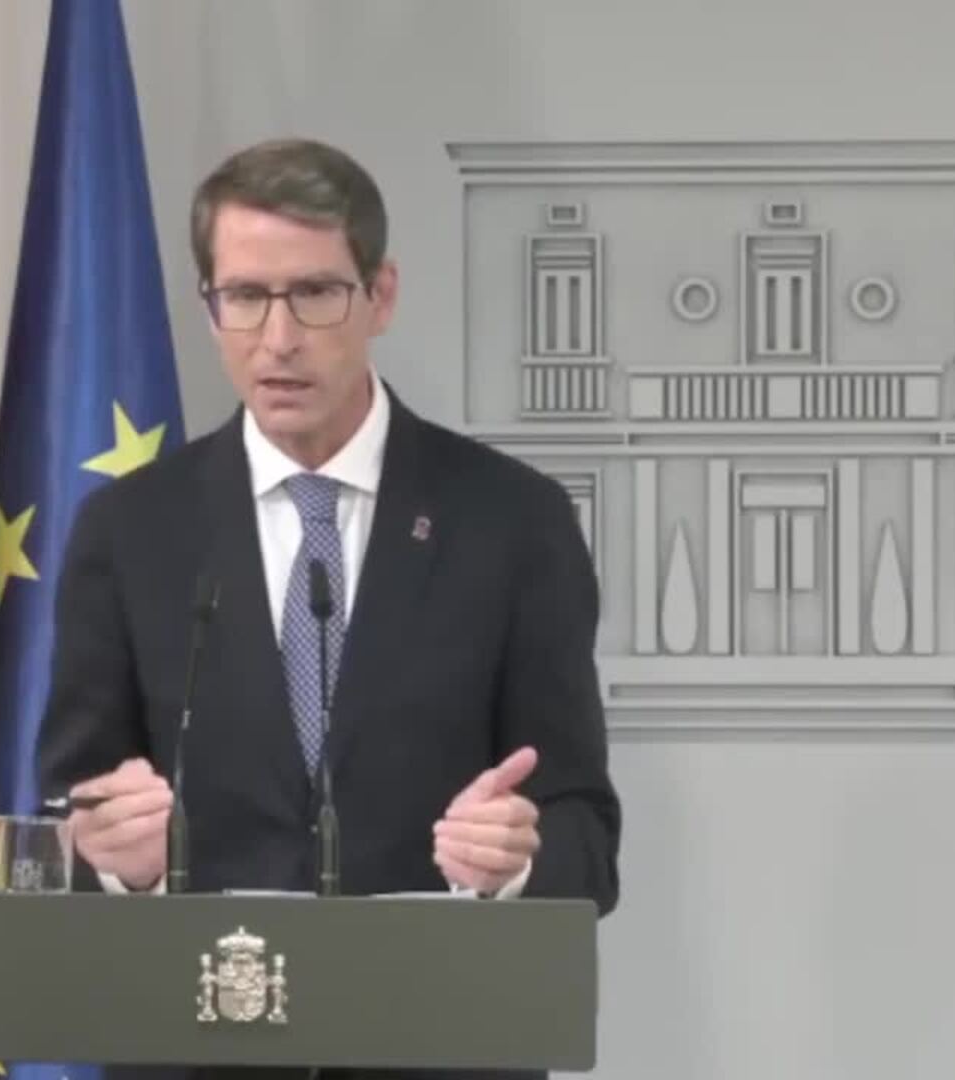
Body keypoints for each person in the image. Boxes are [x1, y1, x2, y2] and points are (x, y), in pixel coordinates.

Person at [36, 137, 621, 1080]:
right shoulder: (130, 532)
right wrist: (111, 858)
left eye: (314, 293)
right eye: (244, 297)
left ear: (380, 295)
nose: (278, 338)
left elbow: (585, 834)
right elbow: (66, 814)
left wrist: (516, 862)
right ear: (210, 307)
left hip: (436, 1049)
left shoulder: (514, 522)